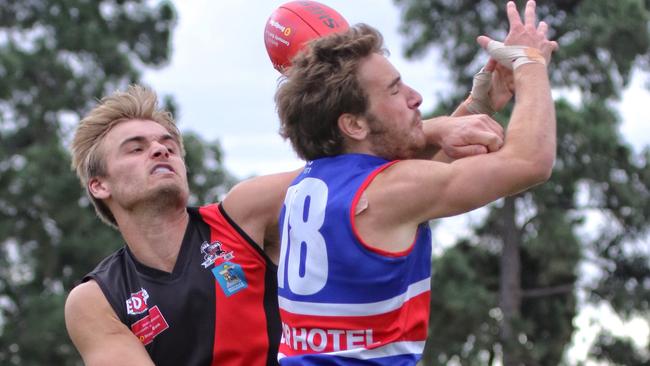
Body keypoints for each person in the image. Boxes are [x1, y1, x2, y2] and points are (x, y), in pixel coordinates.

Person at [62, 76, 510, 364]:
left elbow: (371, 179)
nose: (160, 150)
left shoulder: (243, 215)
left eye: (167, 144)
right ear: (99, 185)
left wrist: (473, 106)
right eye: (136, 148)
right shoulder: (96, 299)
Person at [274, 1, 557, 365]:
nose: (415, 96)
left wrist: (480, 103)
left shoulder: (310, 183)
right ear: (354, 125)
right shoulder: (388, 192)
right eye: (394, 90)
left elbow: (413, 173)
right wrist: (530, 63)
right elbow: (530, 161)